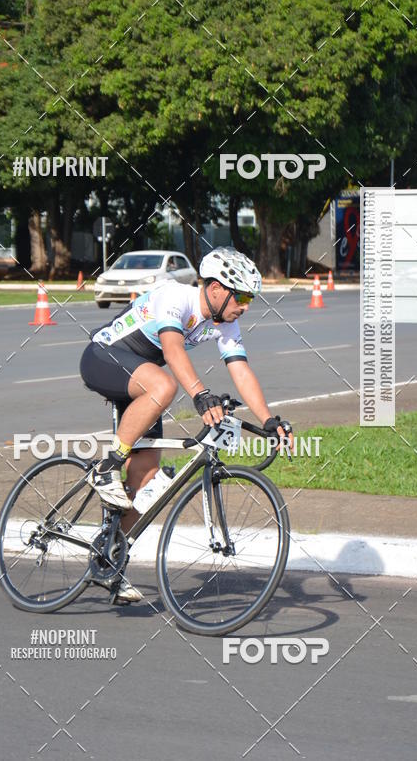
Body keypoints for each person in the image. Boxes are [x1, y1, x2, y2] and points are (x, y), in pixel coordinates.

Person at [79, 246, 292, 601]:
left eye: (250, 297)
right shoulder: (175, 297)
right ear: (216, 289)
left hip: (139, 378)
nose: (246, 305)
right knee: (165, 385)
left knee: (150, 484)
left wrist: (268, 420)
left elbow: (240, 368)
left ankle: (108, 559)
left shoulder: (226, 321)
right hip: (103, 356)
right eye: (241, 295)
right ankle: (105, 467)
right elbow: (172, 348)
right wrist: (200, 394)